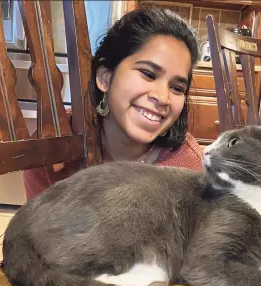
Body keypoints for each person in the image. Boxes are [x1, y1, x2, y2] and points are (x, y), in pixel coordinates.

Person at [23, 7, 203, 200]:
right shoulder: (51, 152)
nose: (162, 97)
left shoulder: (187, 166)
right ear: (105, 77)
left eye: (177, 88)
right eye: (148, 74)